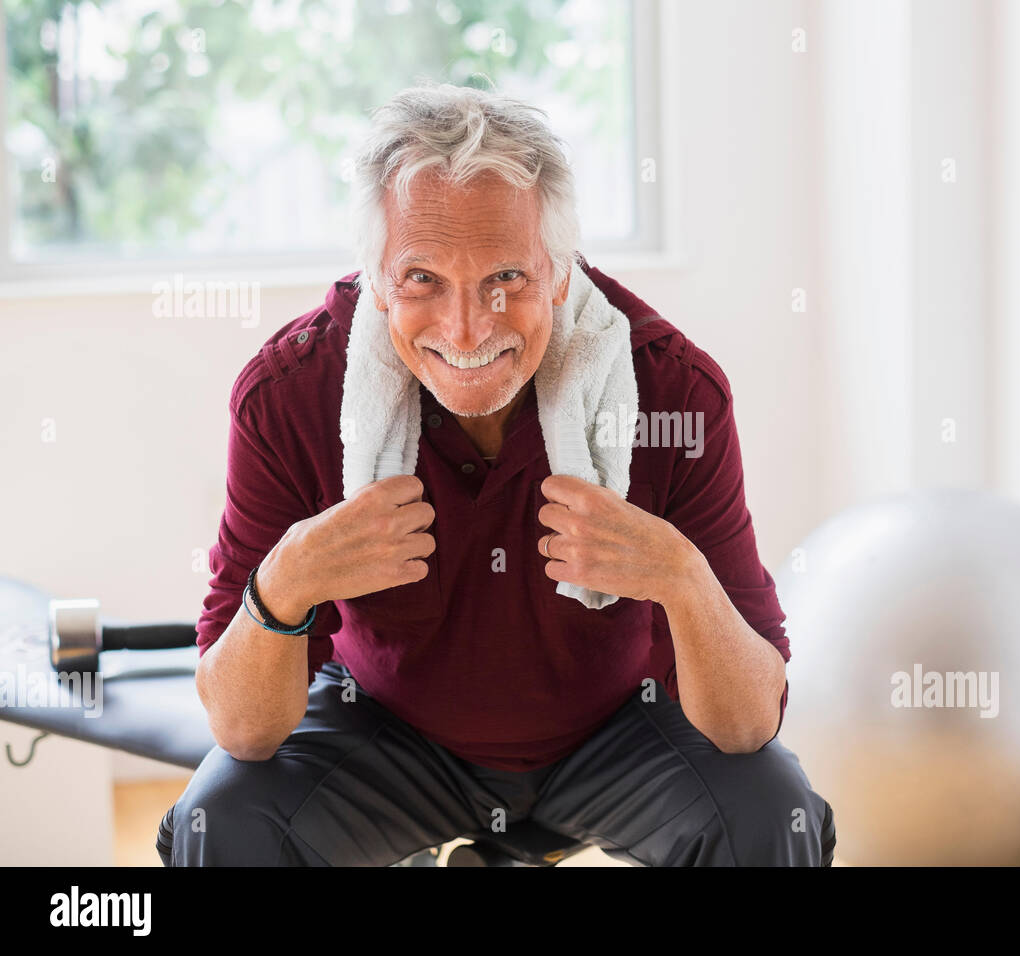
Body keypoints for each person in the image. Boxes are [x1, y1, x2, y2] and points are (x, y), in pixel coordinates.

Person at [157, 83, 834, 866]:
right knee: (225, 818)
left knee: (767, 812)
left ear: (559, 272)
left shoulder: (672, 391)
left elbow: (749, 723)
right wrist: (286, 584)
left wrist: (681, 576)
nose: (468, 328)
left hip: (621, 726)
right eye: (422, 280)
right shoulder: (292, 394)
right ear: (375, 279)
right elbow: (242, 728)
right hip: (385, 729)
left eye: (506, 278)